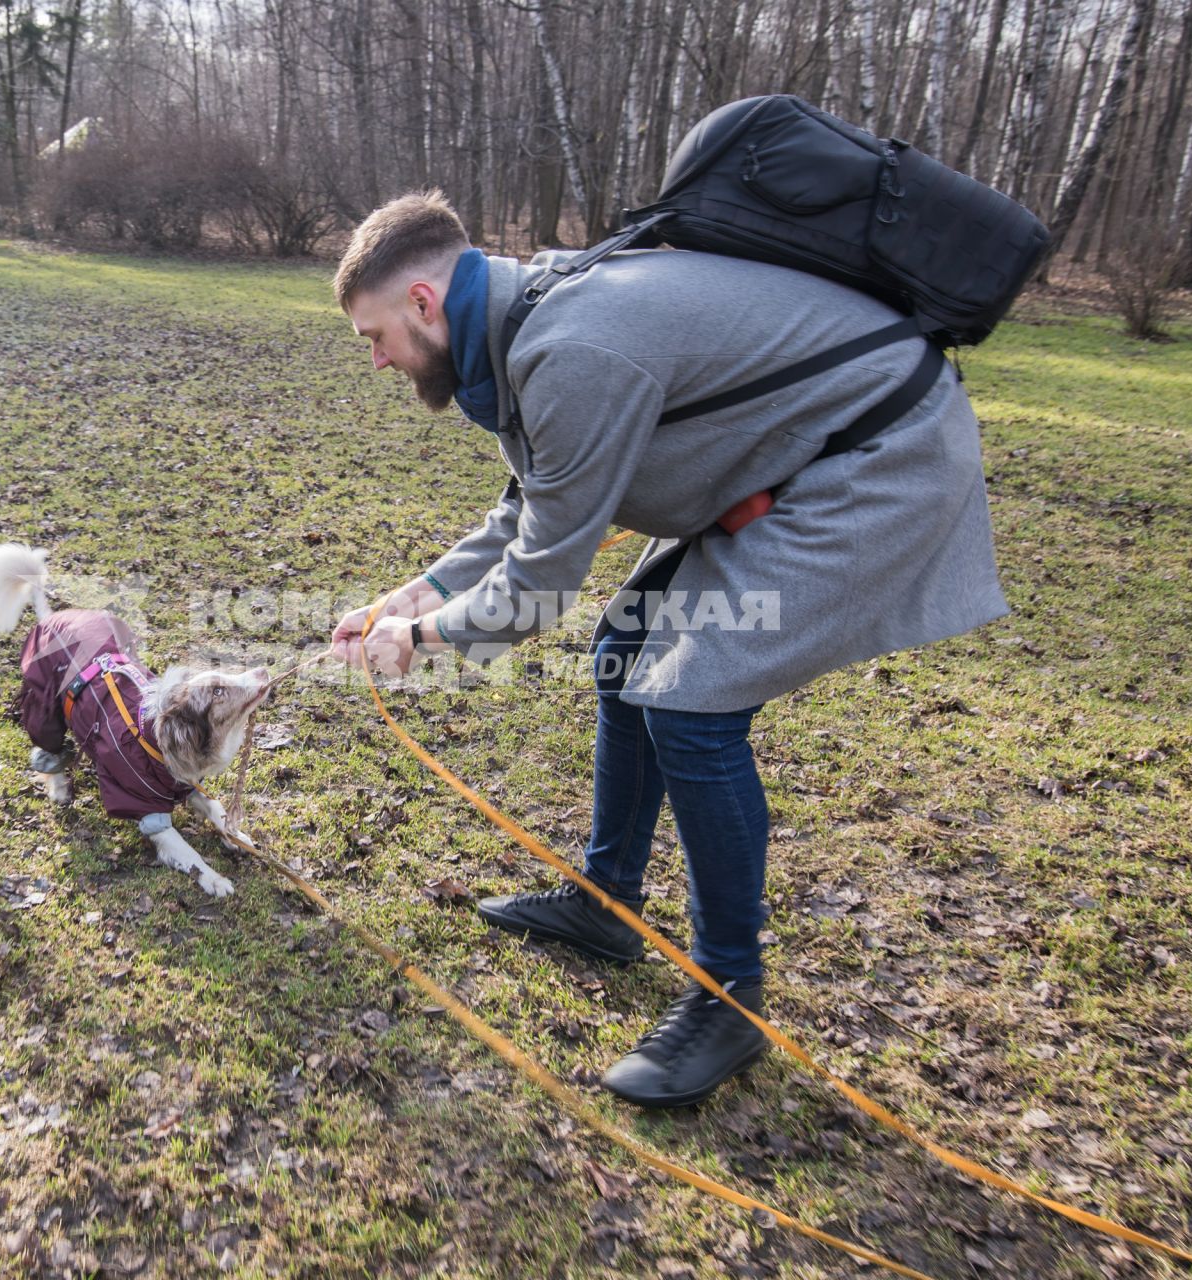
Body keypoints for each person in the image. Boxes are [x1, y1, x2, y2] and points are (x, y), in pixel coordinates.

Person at [328, 190, 1007, 1108]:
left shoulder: (568, 346)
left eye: (376, 336)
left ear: (421, 304)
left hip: (876, 454)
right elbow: (533, 506)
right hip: (794, 451)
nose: (376, 360)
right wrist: (407, 599)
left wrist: (421, 640)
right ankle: (607, 905)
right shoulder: (527, 319)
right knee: (626, 652)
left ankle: (731, 1000)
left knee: (692, 704)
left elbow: (537, 589)